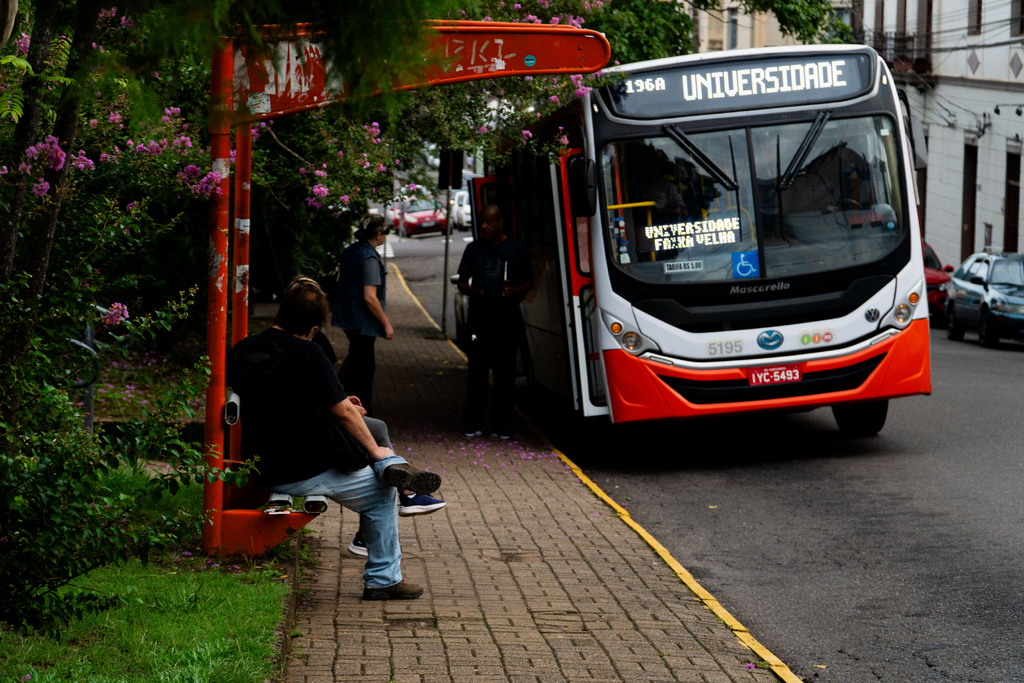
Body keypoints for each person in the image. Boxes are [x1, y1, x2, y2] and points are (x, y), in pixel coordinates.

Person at [226, 277, 438, 600]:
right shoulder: (310, 353)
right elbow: (344, 413)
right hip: (305, 470)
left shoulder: (242, 350)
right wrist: (376, 451)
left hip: (263, 466)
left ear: (280, 314)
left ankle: (399, 474)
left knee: (376, 451)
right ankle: (384, 578)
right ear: (313, 329)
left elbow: (281, 396)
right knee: (381, 490)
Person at [456, 204, 535, 439]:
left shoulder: (516, 249)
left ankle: (502, 426)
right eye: (482, 221)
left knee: (505, 376)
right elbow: (461, 281)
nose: (483, 226)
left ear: (501, 223)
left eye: (489, 222)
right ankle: (473, 423)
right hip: (478, 321)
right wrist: (471, 291)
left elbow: (529, 282)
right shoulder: (473, 249)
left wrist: (514, 291)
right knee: (476, 374)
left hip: (507, 322)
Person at [333, 214, 392, 417]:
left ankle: (348, 408)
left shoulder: (351, 251)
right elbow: (370, 297)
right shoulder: (369, 258)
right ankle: (361, 416)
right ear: (378, 235)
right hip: (363, 323)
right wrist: (386, 324)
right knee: (364, 372)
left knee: (355, 366)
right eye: (385, 233)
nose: (385, 237)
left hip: (348, 318)